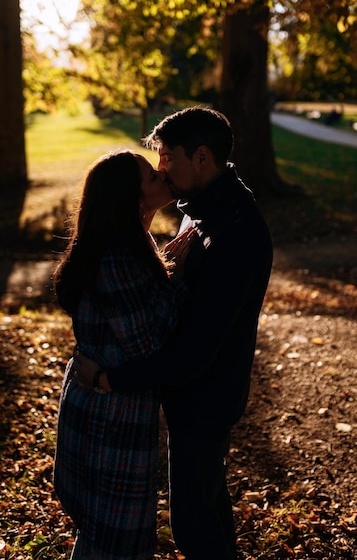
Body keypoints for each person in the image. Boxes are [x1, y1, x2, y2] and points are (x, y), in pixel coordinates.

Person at [73, 106, 274, 560]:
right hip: (186, 396)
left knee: (193, 528)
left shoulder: (236, 232)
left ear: (201, 157)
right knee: (210, 511)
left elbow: (194, 351)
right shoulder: (199, 212)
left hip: (206, 400)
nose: (161, 167)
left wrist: (107, 380)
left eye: (167, 156)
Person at [53, 149, 194, 560]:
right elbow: (150, 342)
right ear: (131, 197)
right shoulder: (116, 256)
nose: (162, 175)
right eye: (152, 176)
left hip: (105, 407)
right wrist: (181, 272)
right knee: (113, 540)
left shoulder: (131, 240)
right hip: (110, 418)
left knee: (103, 535)